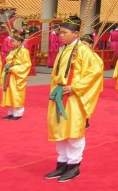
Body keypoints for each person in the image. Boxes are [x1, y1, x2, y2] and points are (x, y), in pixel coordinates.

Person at [44, 16, 103, 182]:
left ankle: (74, 165)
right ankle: (61, 163)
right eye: (60, 32)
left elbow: (96, 71)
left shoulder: (83, 51)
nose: (61, 35)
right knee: (60, 128)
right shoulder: (64, 50)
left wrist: (76, 86)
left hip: (73, 97)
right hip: (60, 95)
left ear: (76, 33)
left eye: (65, 32)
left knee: (73, 131)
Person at [0, 31, 32, 120]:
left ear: (19, 42)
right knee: (9, 93)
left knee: (15, 93)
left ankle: (18, 113)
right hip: (9, 74)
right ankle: (11, 112)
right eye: (12, 41)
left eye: (14, 41)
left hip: (15, 75)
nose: (12, 43)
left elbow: (26, 65)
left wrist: (13, 68)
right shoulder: (12, 51)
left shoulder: (23, 51)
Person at [79, 34, 105, 129]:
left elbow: (97, 71)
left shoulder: (94, 57)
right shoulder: (77, 54)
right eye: (81, 44)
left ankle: (85, 120)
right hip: (78, 82)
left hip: (88, 84)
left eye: (85, 44)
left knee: (86, 102)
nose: (82, 46)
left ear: (90, 45)